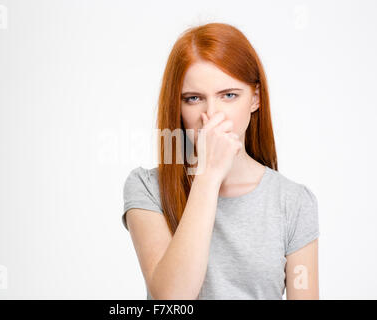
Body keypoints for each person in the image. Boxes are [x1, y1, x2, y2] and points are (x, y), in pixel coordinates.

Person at [122, 22, 320, 300]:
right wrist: (208, 176)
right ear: (177, 107)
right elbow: (170, 300)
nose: (212, 114)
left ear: (255, 99)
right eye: (193, 99)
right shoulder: (147, 188)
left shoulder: (293, 202)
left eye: (229, 95)